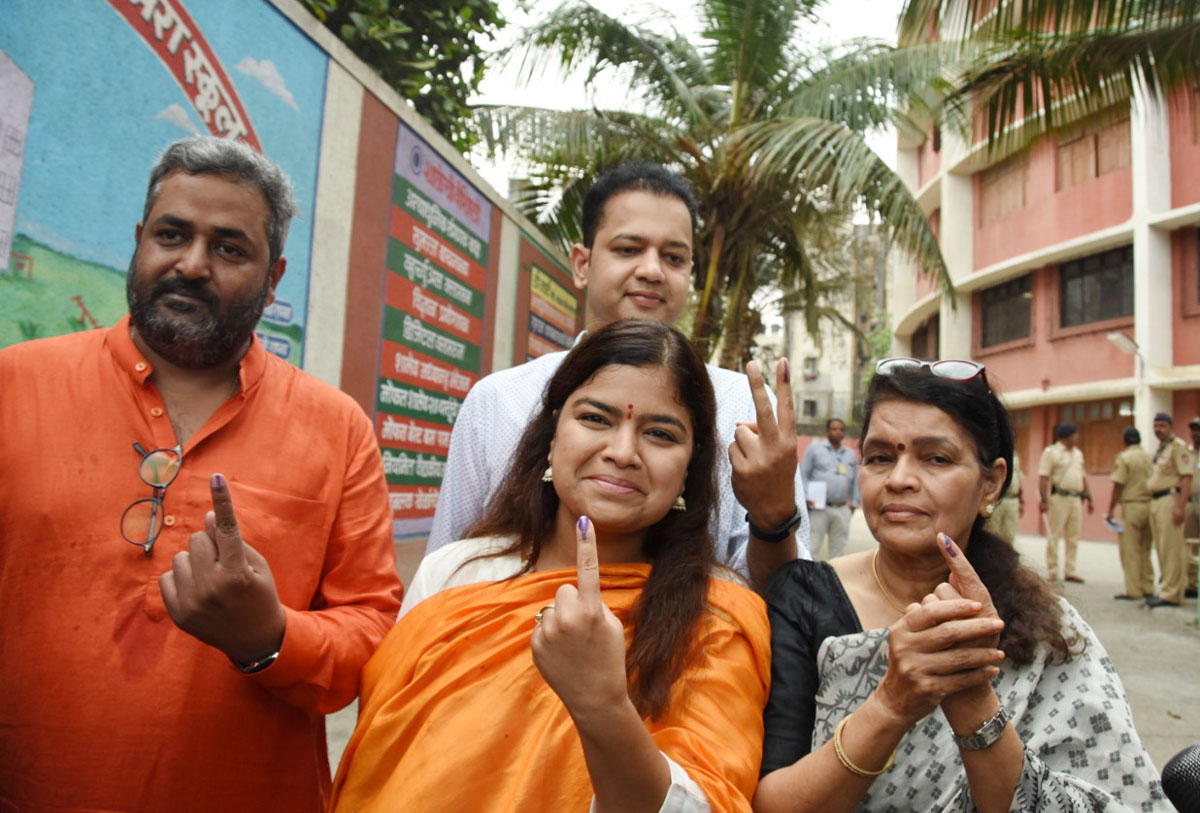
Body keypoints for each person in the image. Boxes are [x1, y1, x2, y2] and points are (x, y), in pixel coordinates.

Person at [0, 137, 402, 811]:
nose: (190, 264)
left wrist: (270, 638)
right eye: (172, 234)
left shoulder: (336, 429)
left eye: (228, 248)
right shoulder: (15, 385)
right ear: (139, 240)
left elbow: (373, 635)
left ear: (273, 279)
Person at [331, 321, 771, 811]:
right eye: (596, 419)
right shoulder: (456, 575)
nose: (622, 452)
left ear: (691, 466)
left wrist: (602, 706)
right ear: (550, 436)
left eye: (660, 433)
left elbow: (703, 804)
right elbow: (388, 761)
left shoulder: (716, 615)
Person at [755, 357, 1167, 812]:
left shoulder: (1044, 628)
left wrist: (974, 704)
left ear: (991, 484)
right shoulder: (803, 597)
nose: (899, 479)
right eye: (880, 457)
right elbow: (771, 803)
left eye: (936, 458)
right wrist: (891, 704)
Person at [427, 163, 807, 588]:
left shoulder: (742, 409)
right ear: (582, 264)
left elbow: (778, 599)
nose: (652, 270)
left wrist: (774, 517)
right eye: (628, 249)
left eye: (674, 257)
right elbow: (449, 578)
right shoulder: (500, 401)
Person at [1144, 412, 1193, 608]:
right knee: (1162, 547)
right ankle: (1166, 588)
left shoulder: (1177, 447)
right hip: (1156, 501)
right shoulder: (1161, 449)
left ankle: (1172, 594)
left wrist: (1180, 507)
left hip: (1170, 500)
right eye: (1156, 426)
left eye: (1162, 425)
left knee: (1172, 548)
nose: (1158, 429)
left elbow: (1187, 477)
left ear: (1171, 427)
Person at [1105, 427, 1156, 601]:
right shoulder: (1149, 457)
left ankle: (1133, 590)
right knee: (1145, 549)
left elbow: (1118, 484)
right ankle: (1148, 586)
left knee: (1130, 550)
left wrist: (1111, 509)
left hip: (1132, 506)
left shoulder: (1124, 457)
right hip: (1149, 505)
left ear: (1125, 441)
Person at [1038, 423, 1093, 582]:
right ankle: (1053, 569)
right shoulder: (1051, 452)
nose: (1077, 437)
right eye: (1075, 434)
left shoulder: (1078, 454)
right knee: (1053, 533)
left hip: (1076, 498)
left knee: (1073, 535)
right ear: (1067, 436)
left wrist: (1089, 496)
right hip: (1058, 498)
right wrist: (1043, 500)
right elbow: (1043, 476)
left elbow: (1082, 475)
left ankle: (1071, 570)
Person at [801, 418, 860, 559]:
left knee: (839, 549)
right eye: (834, 429)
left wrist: (854, 503)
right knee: (813, 546)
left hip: (841, 508)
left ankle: (833, 579)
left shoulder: (850, 454)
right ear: (827, 431)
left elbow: (856, 480)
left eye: (841, 429)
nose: (838, 432)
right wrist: (805, 497)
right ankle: (810, 579)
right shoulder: (814, 449)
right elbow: (803, 474)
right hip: (818, 508)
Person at [984, 450, 1023, 543]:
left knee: (1009, 533)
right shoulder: (994, 453)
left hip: (1012, 500)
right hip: (994, 501)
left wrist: (1021, 501)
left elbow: (1019, 480)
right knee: (990, 529)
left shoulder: (1015, 457)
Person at [1185, 416, 1200, 599]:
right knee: (1189, 544)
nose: (1196, 432)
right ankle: (1192, 584)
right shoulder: (1187, 453)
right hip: (1190, 502)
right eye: (1193, 429)